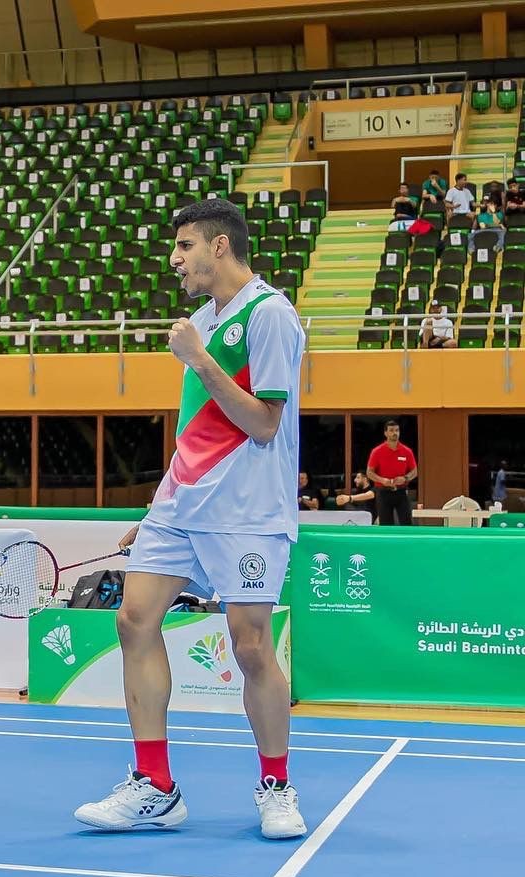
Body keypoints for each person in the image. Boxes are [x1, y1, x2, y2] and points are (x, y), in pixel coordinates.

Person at [73, 198, 308, 840]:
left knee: (251, 647)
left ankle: (276, 785)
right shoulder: (203, 320)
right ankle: (155, 786)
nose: (175, 259)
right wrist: (158, 505)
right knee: (133, 620)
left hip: (248, 511)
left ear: (219, 246)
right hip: (182, 504)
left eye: (185, 246)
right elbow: (194, 434)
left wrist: (200, 359)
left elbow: (264, 424)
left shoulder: (270, 315)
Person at [366, 419, 417, 525]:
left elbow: (414, 471)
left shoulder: (407, 451)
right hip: (383, 492)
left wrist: (405, 478)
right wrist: (382, 480)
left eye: (397, 430)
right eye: (391, 430)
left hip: (401, 491)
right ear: (385, 433)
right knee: (386, 524)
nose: (395, 433)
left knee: (406, 523)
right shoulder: (377, 451)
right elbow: (369, 472)